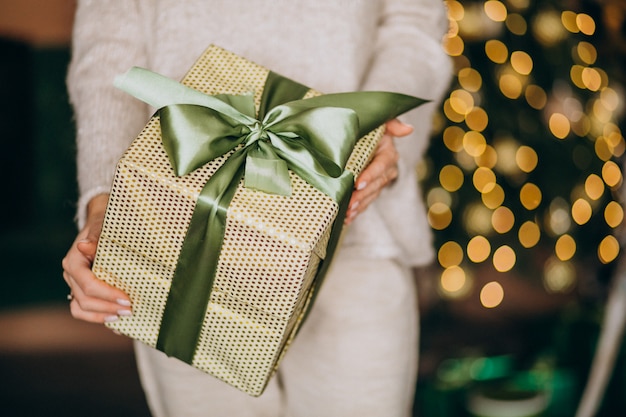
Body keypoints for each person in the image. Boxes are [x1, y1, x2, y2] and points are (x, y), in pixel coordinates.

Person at [61, 1, 452, 416]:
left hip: (359, 233)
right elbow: (108, 51)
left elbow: (413, 25)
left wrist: (379, 132)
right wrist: (106, 204)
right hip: (175, 236)